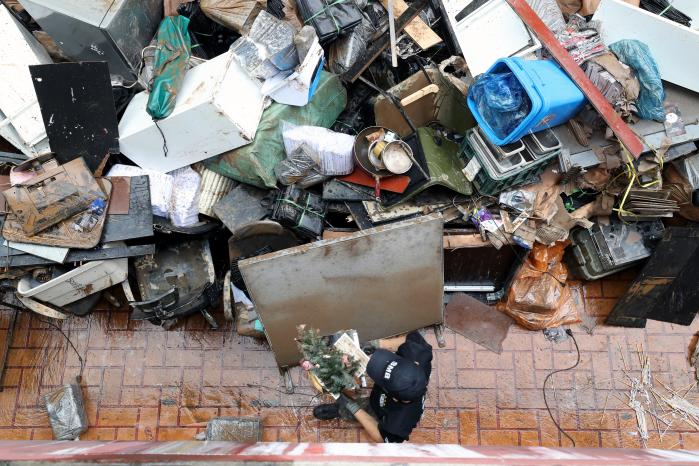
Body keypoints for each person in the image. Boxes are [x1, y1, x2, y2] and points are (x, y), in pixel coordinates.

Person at [312, 331, 433, 443]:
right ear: (414, 364)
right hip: (388, 391)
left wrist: (352, 406)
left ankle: (342, 410)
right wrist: (377, 344)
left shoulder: (398, 424)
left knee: (364, 409)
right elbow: (409, 339)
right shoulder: (420, 355)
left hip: (382, 409)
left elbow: (380, 436)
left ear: (394, 398)